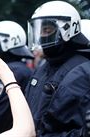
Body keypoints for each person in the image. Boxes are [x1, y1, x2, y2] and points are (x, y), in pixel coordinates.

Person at [25, 1, 90, 136]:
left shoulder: (83, 70)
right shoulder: (42, 68)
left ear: (68, 28)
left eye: (47, 30)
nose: (41, 36)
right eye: (39, 30)